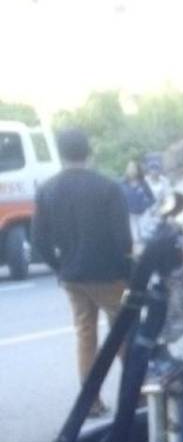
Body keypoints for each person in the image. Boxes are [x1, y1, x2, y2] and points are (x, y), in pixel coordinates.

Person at [31, 128, 132, 417]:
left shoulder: (47, 189)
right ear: (88, 152)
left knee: (85, 334)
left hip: (73, 277)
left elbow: (38, 240)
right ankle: (134, 395)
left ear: (61, 154)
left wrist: (59, 266)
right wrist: (126, 270)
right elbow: (123, 239)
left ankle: (91, 402)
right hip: (108, 275)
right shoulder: (108, 187)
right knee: (123, 332)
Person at [119, 160, 154, 253]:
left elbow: (152, 198)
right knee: (134, 239)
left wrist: (146, 206)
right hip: (130, 216)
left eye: (133, 168)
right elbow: (118, 200)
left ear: (137, 170)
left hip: (143, 215)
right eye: (129, 168)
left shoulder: (143, 183)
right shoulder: (122, 183)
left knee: (145, 237)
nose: (131, 171)